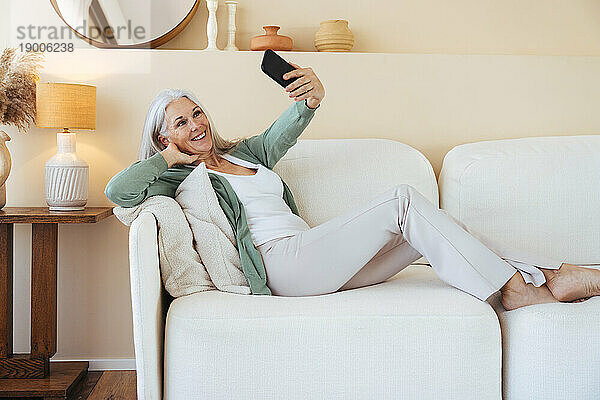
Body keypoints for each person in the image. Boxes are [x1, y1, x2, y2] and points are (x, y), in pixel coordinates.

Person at [105, 63, 600, 310]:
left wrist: (310, 98)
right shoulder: (179, 176)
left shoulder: (244, 154)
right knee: (403, 201)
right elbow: (119, 191)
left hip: (310, 254)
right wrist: (169, 156)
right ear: (161, 136)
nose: (195, 124)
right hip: (281, 266)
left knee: (434, 230)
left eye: (197, 113)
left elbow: (287, 127)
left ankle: (549, 276)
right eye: (179, 122)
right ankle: (517, 293)